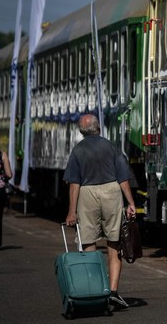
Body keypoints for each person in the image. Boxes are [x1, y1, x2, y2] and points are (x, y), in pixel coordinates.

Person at [63, 114, 136, 309]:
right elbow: (123, 178)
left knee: (89, 243)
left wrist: (72, 211)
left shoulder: (78, 150)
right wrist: (130, 203)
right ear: (99, 129)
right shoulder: (111, 147)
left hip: (87, 193)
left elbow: (74, 184)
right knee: (114, 242)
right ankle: (112, 292)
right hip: (111, 191)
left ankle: (94, 290)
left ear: (80, 131)